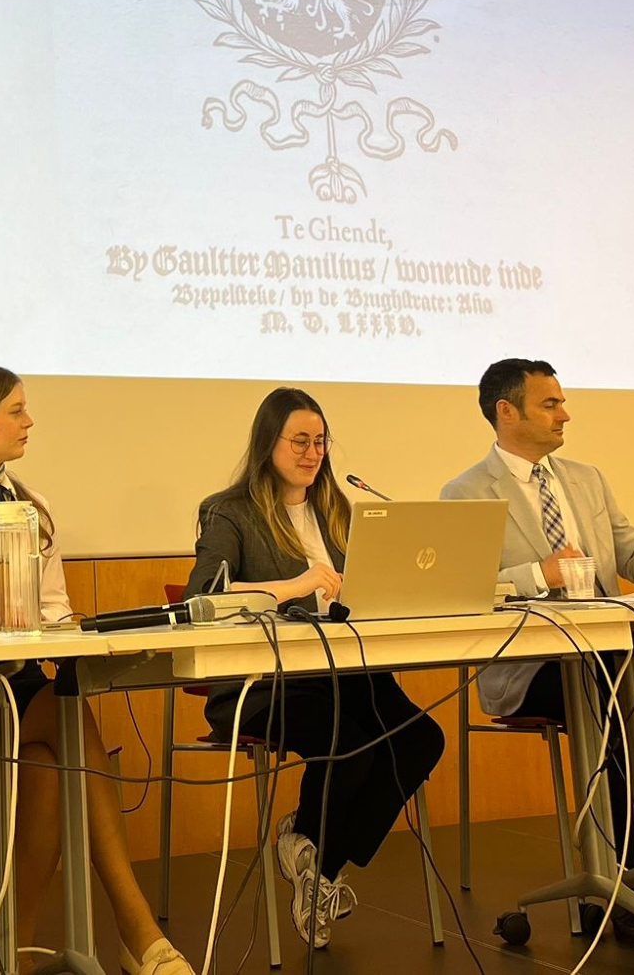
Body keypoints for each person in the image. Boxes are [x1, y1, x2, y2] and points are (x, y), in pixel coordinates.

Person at [0, 363, 195, 975]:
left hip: (20, 688)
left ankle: (12, 955)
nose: (30, 421)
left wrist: (80, 630)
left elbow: (54, 611)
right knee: (66, 715)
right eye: (16, 410)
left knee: (52, 760)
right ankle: (137, 932)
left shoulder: (33, 507)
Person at [441, 357, 634, 947]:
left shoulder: (586, 478)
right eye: (550, 404)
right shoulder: (465, 493)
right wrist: (536, 575)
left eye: (562, 402)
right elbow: (466, 591)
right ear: (506, 412)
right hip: (533, 669)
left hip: (612, 655)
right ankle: (622, 887)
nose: (565, 414)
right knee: (614, 709)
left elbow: (628, 551)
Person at [183, 386, 447, 950]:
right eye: (299, 441)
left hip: (347, 672)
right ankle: (314, 861)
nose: (313, 453)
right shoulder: (229, 511)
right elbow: (204, 595)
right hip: (264, 683)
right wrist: (293, 585)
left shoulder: (338, 509)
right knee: (349, 745)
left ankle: (314, 861)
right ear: (268, 443)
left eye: (320, 441)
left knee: (422, 739)